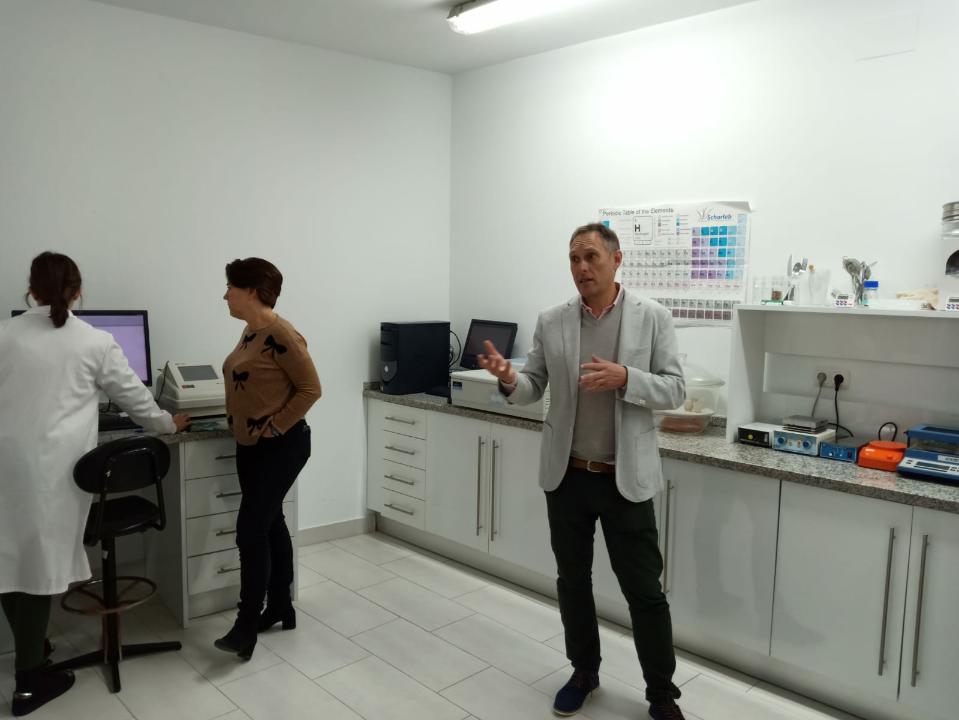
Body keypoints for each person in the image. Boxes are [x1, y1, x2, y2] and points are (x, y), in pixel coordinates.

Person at [478, 223, 687, 720]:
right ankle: (583, 672)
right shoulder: (553, 320)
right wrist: (508, 380)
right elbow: (533, 386)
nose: (581, 267)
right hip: (568, 476)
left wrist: (626, 377)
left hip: (624, 480)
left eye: (591, 256)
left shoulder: (652, 317)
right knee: (573, 582)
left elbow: (675, 390)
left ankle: (661, 695)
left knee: (645, 592)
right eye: (574, 259)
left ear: (617, 259)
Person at [0, 252, 190, 717]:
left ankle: (34, 649)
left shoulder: (4, 334)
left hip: (7, 464)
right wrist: (168, 424)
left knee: (9, 556)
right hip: (53, 472)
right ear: (78, 291)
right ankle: (29, 682)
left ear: (31, 289)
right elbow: (137, 400)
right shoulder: (95, 341)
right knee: (40, 565)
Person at [214, 257, 321, 660]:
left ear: (252, 291)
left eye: (231, 287)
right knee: (271, 521)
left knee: (250, 530)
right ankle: (279, 606)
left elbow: (311, 389)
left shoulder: (282, 334)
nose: (225, 295)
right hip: (251, 446)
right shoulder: (251, 331)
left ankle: (246, 625)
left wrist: (275, 427)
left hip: (282, 446)